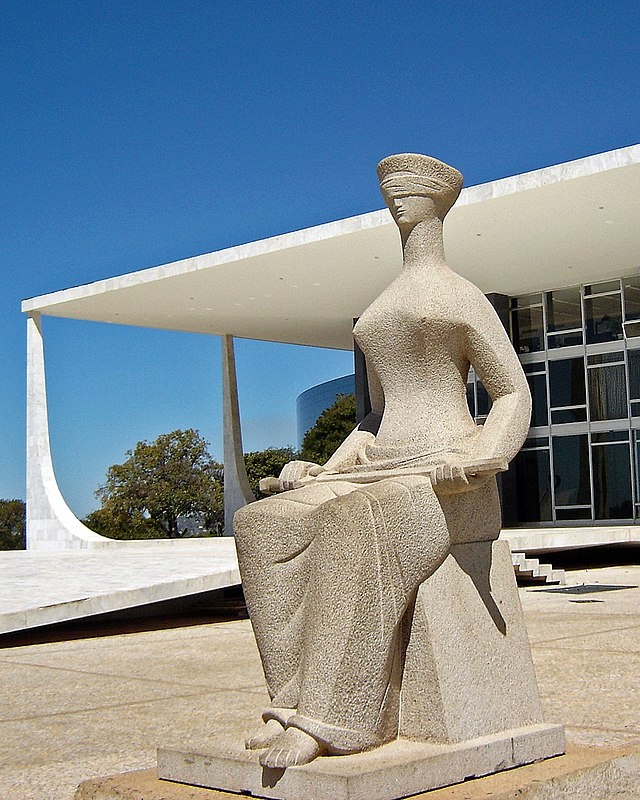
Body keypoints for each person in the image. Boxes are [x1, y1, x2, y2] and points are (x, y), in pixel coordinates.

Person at [233, 154, 531, 769]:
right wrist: (325, 466)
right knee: (261, 525)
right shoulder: (383, 302)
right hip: (379, 465)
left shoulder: (461, 296)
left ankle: (332, 718)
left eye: (405, 192)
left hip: (444, 475)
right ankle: (290, 699)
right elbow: (374, 417)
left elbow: (511, 393)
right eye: (386, 192)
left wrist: (485, 453)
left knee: (354, 524)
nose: (394, 201)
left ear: (437, 202)